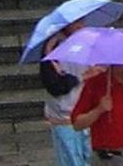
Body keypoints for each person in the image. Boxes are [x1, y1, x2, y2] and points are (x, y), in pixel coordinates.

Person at [41, 19, 92, 166]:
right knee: (71, 160)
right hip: (64, 116)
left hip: (87, 113)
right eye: (76, 23)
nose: (80, 25)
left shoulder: (88, 43)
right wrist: (81, 77)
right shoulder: (52, 47)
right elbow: (54, 85)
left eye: (82, 21)